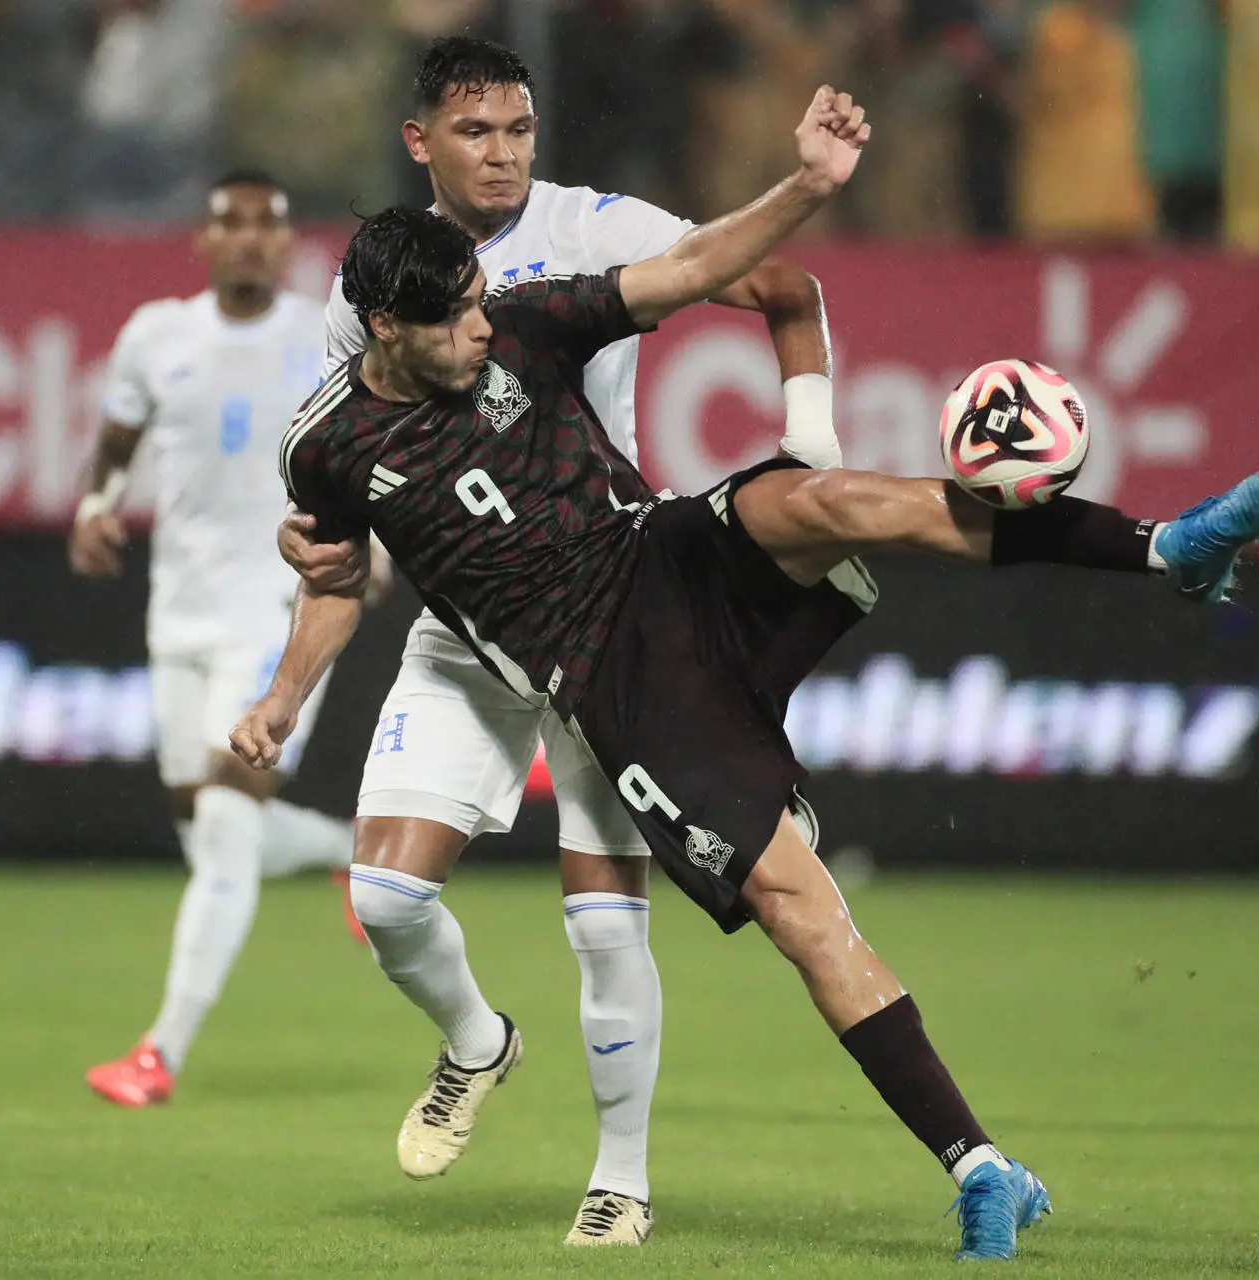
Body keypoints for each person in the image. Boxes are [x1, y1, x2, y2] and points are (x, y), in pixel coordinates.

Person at [234, 87, 1259, 1261]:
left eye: (483, 301)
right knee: (799, 906)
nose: (482, 328)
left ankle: (1162, 550)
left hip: (666, 554)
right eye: (454, 320)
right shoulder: (324, 446)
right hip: (614, 687)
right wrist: (281, 699)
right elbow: (331, 574)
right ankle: (982, 1164)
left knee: (830, 497)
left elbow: (685, 275)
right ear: (383, 326)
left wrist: (810, 188)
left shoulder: (525, 320)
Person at [276, 36, 841, 1246]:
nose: (505, 154)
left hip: (606, 609)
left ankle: (621, 1177)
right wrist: (324, 558)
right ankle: (479, 1041)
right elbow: (365, 482)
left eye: (521, 129)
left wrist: (811, 444)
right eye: (477, 132)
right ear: (420, 140)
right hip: (471, 626)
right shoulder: (371, 283)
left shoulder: (595, 227)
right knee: (382, 896)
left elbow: (777, 287)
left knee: (602, 921)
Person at [69, 170, 372, 1108]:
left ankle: (159, 1051)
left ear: (288, 245)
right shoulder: (158, 337)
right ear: (202, 242)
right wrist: (95, 502)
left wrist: (380, 538)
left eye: (266, 226)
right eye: (229, 223)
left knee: (230, 818)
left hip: (280, 619)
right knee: (204, 833)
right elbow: (119, 438)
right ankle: (348, 847)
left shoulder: (327, 341)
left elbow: (379, 447)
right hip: (181, 618)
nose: (247, 239)